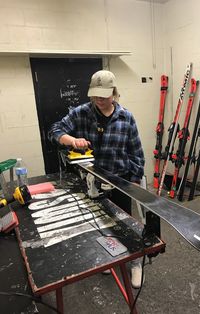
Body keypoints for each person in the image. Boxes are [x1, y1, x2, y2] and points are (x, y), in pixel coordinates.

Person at [48, 70, 145, 288]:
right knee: (102, 224)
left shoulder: (126, 117)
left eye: (104, 95)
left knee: (127, 225)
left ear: (114, 92)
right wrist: (71, 140)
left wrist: (135, 182)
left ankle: (136, 263)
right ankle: (112, 258)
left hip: (120, 181)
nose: (99, 100)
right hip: (92, 181)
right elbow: (54, 130)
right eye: (95, 95)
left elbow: (136, 153)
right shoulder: (81, 113)